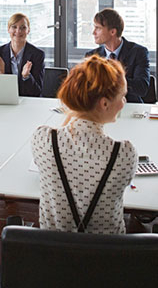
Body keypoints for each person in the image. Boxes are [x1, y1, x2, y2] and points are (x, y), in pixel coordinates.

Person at [31, 55, 136, 234]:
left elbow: (65, 136)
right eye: (122, 96)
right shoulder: (124, 153)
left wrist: (77, 107)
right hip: (108, 258)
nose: (124, 103)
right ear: (104, 103)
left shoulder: (43, 139)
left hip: (51, 255)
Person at [85, 8, 150, 103]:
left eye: (98, 28)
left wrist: (109, 78)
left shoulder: (138, 52)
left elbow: (141, 88)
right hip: (99, 109)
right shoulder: (92, 55)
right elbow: (86, 88)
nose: (93, 32)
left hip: (130, 107)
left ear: (112, 32)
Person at [0, 13, 46, 97]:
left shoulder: (38, 55)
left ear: (28, 30)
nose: (18, 31)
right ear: (8, 29)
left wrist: (26, 76)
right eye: (14, 27)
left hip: (28, 103)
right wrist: (1, 72)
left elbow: (37, 92)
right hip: (6, 101)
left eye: (23, 27)